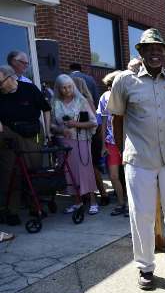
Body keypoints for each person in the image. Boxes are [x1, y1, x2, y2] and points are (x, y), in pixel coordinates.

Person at [108, 28, 165, 290]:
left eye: (160, 49)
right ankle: (145, 267)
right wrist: (123, 152)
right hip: (138, 158)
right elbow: (117, 118)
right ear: (141, 52)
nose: (155, 53)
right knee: (141, 214)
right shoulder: (124, 81)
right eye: (149, 49)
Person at [0, 65, 51, 226]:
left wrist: (48, 131)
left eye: (0, 83)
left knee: (33, 172)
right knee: (11, 173)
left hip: (33, 133)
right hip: (10, 134)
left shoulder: (29, 89)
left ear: (10, 78)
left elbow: (46, 109)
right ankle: (11, 210)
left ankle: (35, 206)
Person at [50, 74, 99, 215]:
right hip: (63, 142)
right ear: (58, 89)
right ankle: (77, 202)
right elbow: (52, 125)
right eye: (63, 88)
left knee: (84, 171)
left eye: (69, 86)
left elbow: (93, 122)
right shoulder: (55, 102)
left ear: (73, 86)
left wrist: (75, 124)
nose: (67, 90)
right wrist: (60, 129)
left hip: (81, 140)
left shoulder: (81, 101)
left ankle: (93, 202)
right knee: (68, 172)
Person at [72, 75, 109, 206]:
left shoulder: (85, 100)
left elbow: (94, 121)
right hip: (89, 136)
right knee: (90, 167)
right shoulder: (79, 99)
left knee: (92, 167)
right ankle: (92, 194)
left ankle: (103, 194)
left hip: (92, 137)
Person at [97, 70, 127, 216]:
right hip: (111, 142)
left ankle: (132, 205)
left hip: (129, 142)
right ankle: (121, 203)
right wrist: (103, 145)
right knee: (113, 176)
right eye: (109, 85)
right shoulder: (104, 97)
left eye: (113, 85)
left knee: (131, 175)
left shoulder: (127, 95)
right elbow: (103, 122)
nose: (110, 88)